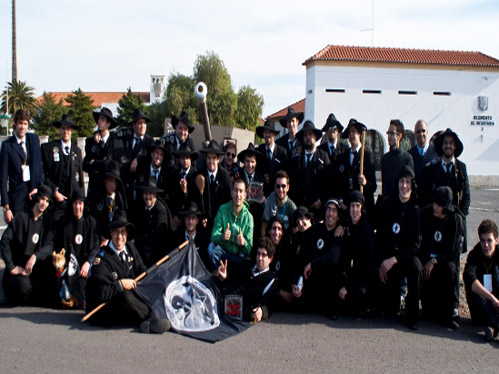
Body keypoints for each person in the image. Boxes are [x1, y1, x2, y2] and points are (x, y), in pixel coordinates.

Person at [85, 211, 170, 333]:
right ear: (111, 232)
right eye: (116, 232)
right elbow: (100, 294)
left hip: (131, 297)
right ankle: (150, 320)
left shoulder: (130, 247)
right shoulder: (102, 259)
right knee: (125, 296)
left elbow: (142, 269)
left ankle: (151, 318)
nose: (120, 237)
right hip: (108, 306)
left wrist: (146, 280)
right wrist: (120, 284)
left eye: (123, 232)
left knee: (154, 282)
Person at [376, 166, 422, 330]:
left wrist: (394, 260)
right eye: (402, 182)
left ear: (412, 185)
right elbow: (380, 236)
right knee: (389, 310)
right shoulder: (387, 205)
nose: (404, 186)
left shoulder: (416, 210)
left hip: (404, 259)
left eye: (407, 183)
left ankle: (412, 315)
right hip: (388, 258)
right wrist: (382, 263)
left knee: (416, 268)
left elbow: (415, 246)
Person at [419, 186, 465, 329]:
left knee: (451, 269)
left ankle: (450, 311)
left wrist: (435, 260)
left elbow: (455, 251)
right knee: (428, 311)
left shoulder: (456, 220)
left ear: (445, 206)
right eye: (434, 203)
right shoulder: (426, 214)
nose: (435, 207)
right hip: (427, 261)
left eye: (438, 204)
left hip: (444, 262)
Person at [1, 185, 54, 305]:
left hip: (35, 266)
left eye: (47, 201)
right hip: (19, 267)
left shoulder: (47, 221)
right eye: (42, 199)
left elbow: (50, 245)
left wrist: (35, 256)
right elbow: (5, 241)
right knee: (23, 287)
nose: (44, 203)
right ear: (37, 198)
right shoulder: (21, 217)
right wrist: (11, 267)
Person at [291, 199, 345, 318]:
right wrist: (295, 281)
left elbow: (333, 258)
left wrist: (312, 264)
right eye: (328, 210)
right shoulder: (314, 231)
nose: (330, 214)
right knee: (296, 304)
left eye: (334, 211)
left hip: (331, 284)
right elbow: (301, 257)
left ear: (338, 216)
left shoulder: (340, 233)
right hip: (313, 281)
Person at [54, 188, 99, 308]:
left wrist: (88, 263)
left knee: (84, 286)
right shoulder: (64, 223)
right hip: (69, 265)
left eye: (80, 203)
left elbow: (95, 248)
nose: (77, 207)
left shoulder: (91, 222)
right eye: (75, 203)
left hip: (84, 266)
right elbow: (60, 248)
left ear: (84, 204)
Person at [217, 237, 278, 322]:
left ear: (270, 259)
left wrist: (262, 312)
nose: (260, 258)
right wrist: (224, 277)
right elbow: (232, 280)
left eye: (263, 255)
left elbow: (270, 303)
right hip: (223, 302)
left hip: (241, 315)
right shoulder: (246, 263)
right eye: (258, 254)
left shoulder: (270, 281)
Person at [0, 108, 44, 223]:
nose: (22, 127)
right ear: (15, 124)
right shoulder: (7, 146)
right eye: (20, 123)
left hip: (34, 196)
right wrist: (6, 208)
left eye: (25, 123)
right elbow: (3, 178)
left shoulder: (33, 139)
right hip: (17, 200)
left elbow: (40, 167)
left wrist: (38, 188)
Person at [338, 191, 376, 317]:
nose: (354, 210)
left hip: (364, 277)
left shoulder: (366, 231)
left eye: (357, 206)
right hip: (351, 274)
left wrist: (348, 286)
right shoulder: (348, 225)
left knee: (357, 296)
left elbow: (367, 266)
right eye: (352, 206)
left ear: (362, 208)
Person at [41, 114, 83, 222]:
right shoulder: (49, 149)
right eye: (63, 128)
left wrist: (80, 200)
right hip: (56, 202)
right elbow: (44, 175)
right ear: (60, 130)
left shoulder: (77, 151)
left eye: (68, 129)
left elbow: (80, 179)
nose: (66, 131)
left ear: (71, 131)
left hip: (72, 202)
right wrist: (54, 191)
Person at [421, 128, 470, 217]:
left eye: (451, 143)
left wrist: (460, 217)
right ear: (441, 146)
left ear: (455, 146)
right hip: (436, 221)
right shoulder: (432, 169)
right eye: (445, 143)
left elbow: (466, 196)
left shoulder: (461, 168)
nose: (448, 146)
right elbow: (426, 196)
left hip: (456, 219)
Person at [464, 219, 499, 341]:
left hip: (498, 306)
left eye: (489, 240)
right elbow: (469, 278)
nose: (486, 245)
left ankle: (493, 328)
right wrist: (492, 298)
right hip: (480, 308)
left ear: (496, 240)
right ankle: (496, 324)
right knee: (475, 289)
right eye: (483, 241)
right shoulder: (474, 254)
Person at [112, 108, 154, 208]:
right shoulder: (126, 137)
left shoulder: (149, 141)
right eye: (139, 123)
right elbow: (111, 136)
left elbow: (150, 155)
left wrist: (138, 159)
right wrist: (97, 133)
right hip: (126, 187)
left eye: (144, 123)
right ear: (133, 125)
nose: (142, 126)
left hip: (141, 187)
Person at [207, 178, 253, 270]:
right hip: (223, 252)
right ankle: (221, 273)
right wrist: (222, 237)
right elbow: (213, 236)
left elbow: (249, 250)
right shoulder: (223, 209)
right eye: (235, 190)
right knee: (211, 248)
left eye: (241, 191)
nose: (238, 195)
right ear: (231, 192)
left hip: (238, 256)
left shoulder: (249, 218)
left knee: (247, 263)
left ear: (245, 195)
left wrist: (244, 243)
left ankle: (230, 274)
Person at [335, 119, 377, 220]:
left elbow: (373, 186)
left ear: (359, 134)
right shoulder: (343, 157)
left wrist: (365, 182)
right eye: (349, 132)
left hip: (363, 207)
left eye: (354, 132)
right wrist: (341, 201)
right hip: (347, 207)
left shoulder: (367, 155)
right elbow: (339, 183)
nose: (351, 135)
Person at [288, 120, 330, 218]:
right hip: (299, 206)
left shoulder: (323, 156)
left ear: (315, 137)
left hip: (317, 207)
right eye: (305, 135)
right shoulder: (296, 157)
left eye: (310, 134)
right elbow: (292, 180)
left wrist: (320, 200)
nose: (308, 137)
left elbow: (328, 182)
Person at [133, 179, 176, 266]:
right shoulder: (140, 206)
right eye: (145, 193)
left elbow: (157, 235)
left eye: (150, 193)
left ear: (155, 194)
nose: (147, 197)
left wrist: (137, 240)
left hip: (161, 247)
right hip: (146, 243)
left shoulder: (161, 210)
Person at [88, 161, 128, 243]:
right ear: (105, 181)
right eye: (110, 181)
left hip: (116, 241)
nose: (113, 184)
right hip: (99, 240)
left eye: (115, 182)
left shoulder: (121, 201)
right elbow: (93, 223)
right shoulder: (96, 199)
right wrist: (100, 238)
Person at [195, 140, 232, 228]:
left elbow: (228, 200)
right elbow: (196, 198)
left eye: (214, 158)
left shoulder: (224, 176)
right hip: (203, 223)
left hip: (220, 222)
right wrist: (201, 217)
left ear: (218, 159)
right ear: (205, 158)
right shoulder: (199, 175)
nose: (211, 161)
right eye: (209, 158)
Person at [83, 107, 118, 197]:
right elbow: (85, 165)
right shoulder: (90, 142)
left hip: (108, 189)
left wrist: (94, 162)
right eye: (99, 119)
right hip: (94, 187)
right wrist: (101, 162)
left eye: (102, 119)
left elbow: (108, 163)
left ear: (108, 123)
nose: (99, 121)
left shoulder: (114, 141)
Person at [236, 143, 267, 240]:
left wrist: (263, 202)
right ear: (243, 162)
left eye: (252, 162)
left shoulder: (262, 179)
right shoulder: (237, 175)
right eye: (247, 161)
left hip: (256, 220)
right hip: (239, 219)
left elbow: (267, 202)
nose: (250, 165)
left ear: (256, 162)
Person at [380, 119, 414, 199]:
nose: (389, 136)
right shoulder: (384, 159)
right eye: (388, 133)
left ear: (399, 136)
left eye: (392, 133)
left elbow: (410, 183)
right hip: (387, 203)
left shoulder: (407, 158)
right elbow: (384, 185)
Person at [172, 201, 211, 269]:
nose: (190, 221)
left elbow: (206, 264)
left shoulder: (203, 239)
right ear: (184, 220)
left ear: (197, 221)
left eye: (193, 218)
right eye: (188, 218)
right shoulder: (176, 237)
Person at [256, 119, 288, 196]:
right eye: (266, 132)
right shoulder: (259, 151)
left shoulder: (282, 152)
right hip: (262, 194)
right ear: (263, 134)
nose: (267, 135)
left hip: (277, 194)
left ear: (274, 134)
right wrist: (262, 177)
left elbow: (286, 174)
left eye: (270, 132)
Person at [407, 120, 438, 200]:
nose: (421, 134)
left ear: (427, 132)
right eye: (418, 132)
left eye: (423, 131)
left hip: (432, 202)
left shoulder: (437, 153)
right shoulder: (409, 155)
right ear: (414, 134)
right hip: (415, 201)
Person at [261, 170, 297, 237]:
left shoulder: (291, 206)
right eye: (278, 186)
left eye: (283, 186)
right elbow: (264, 225)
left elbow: (296, 228)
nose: (280, 190)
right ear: (274, 187)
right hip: (271, 240)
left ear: (288, 187)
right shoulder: (269, 201)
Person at [168, 142, 199, 221]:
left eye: (187, 158)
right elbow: (171, 197)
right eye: (183, 158)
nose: (185, 160)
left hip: (190, 217)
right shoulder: (174, 175)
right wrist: (174, 215)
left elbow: (197, 198)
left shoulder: (196, 175)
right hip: (177, 216)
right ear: (179, 160)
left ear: (190, 159)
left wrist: (185, 192)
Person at [135, 139, 171, 203]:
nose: (159, 156)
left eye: (161, 155)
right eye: (157, 153)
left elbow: (166, 196)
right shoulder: (142, 171)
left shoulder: (167, 174)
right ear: (152, 154)